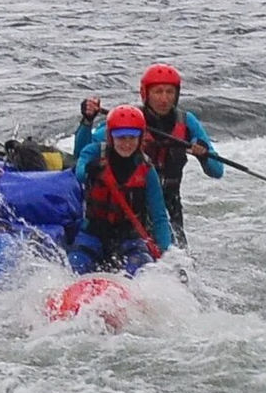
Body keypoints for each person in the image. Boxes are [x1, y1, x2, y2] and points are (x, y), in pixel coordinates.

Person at [74, 63, 223, 248]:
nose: (164, 99)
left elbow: (217, 171)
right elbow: (83, 154)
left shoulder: (187, 122)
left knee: (178, 260)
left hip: (169, 204)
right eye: (158, 92)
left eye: (170, 92)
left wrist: (204, 155)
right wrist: (87, 121)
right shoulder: (130, 121)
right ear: (146, 94)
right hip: (135, 203)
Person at [67, 105, 172, 276]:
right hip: (93, 233)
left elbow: (159, 216)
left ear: (140, 138)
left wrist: (168, 254)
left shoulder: (146, 169)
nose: (127, 143)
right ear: (110, 137)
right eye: (121, 137)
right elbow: (79, 172)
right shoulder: (94, 152)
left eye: (132, 137)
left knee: (140, 270)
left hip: (129, 237)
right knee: (76, 265)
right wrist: (89, 170)